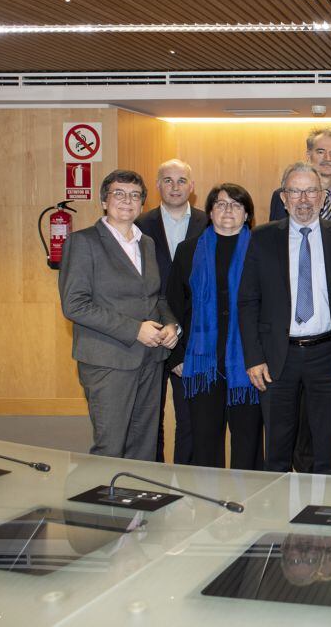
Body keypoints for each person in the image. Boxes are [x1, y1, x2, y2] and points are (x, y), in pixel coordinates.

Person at [238, 162, 331, 473]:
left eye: (311, 191)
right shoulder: (262, 237)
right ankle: (278, 516)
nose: (303, 199)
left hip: (328, 355)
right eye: (295, 191)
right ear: (284, 198)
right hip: (278, 357)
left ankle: (324, 515)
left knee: (327, 447)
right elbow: (248, 301)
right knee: (278, 448)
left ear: (323, 198)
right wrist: (254, 357)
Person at [59, 169, 179, 460]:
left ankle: (137, 504)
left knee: (145, 447)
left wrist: (171, 325)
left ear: (142, 204)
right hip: (107, 363)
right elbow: (74, 304)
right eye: (119, 194)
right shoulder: (83, 242)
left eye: (135, 195)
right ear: (104, 201)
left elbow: (155, 296)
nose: (127, 201)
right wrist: (134, 329)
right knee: (110, 448)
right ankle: (102, 506)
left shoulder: (146, 243)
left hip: (150, 360)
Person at [268, 128, 331, 474]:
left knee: (327, 434)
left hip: (329, 345)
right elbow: (265, 284)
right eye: (320, 151)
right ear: (285, 197)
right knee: (281, 436)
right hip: (284, 347)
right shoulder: (269, 232)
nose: (304, 199)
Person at [166, 183, 264, 470]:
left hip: (249, 360)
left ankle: (249, 505)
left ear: (247, 214)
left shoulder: (262, 250)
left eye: (236, 204)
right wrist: (177, 356)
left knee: (249, 440)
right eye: (220, 204)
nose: (228, 210)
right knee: (204, 441)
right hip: (201, 361)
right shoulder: (188, 251)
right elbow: (172, 305)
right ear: (210, 212)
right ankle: (207, 506)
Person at [135, 159, 208, 464]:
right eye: (168, 180)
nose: (175, 187)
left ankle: (185, 484)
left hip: (190, 333)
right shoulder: (139, 225)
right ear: (157, 185)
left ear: (192, 187)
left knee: (190, 418)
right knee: (149, 420)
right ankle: (153, 481)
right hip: (148, 332)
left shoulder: (209, 223)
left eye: (181, 181)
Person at [268, 127, 331, 230]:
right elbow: (275, 238)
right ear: (308, 156)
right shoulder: (285, 195)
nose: (327, 158)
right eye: (320, 152)